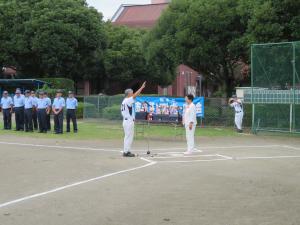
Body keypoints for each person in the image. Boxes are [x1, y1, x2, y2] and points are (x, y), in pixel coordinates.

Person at [121, 82, 146, 157]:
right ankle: (126, 152)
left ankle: (126, 151)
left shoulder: (126, 100)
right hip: (128, 121)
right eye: (131, 93)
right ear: (128, 94)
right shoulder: (127, 100)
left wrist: (141, 101)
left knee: (128, 136)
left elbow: (135, 98)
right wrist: (141, 88)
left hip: (127, 121)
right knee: (129, 136)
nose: (132, 94)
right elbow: (135, 96)